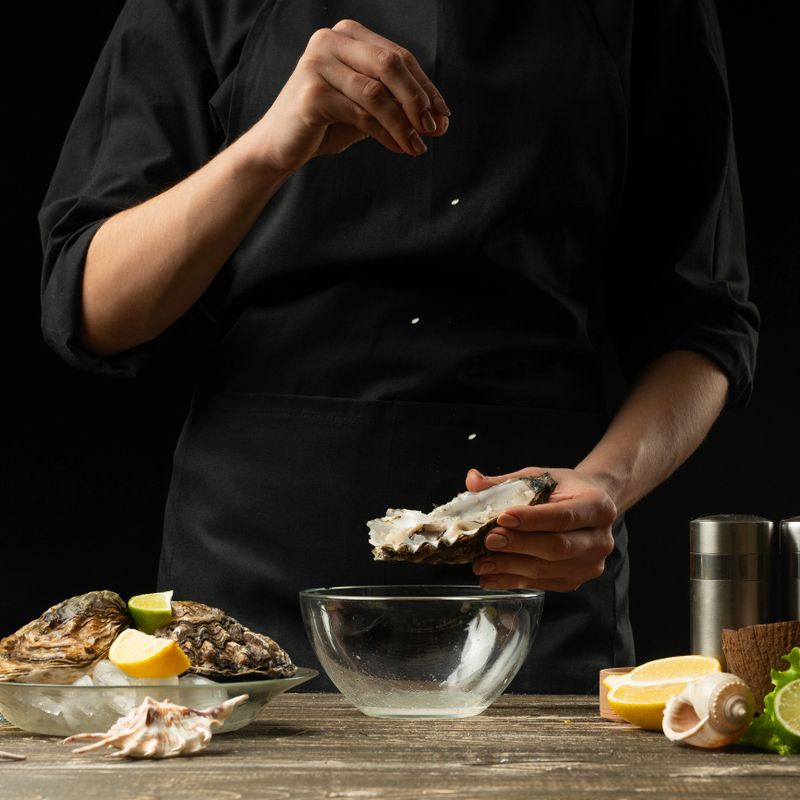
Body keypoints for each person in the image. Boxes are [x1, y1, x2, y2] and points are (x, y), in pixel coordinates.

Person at [39, 0, 758, 692]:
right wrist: (268, 146)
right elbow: (94, 309)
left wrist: (607, 485)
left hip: (529, 573)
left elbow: (704, 319)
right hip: (254, 562)